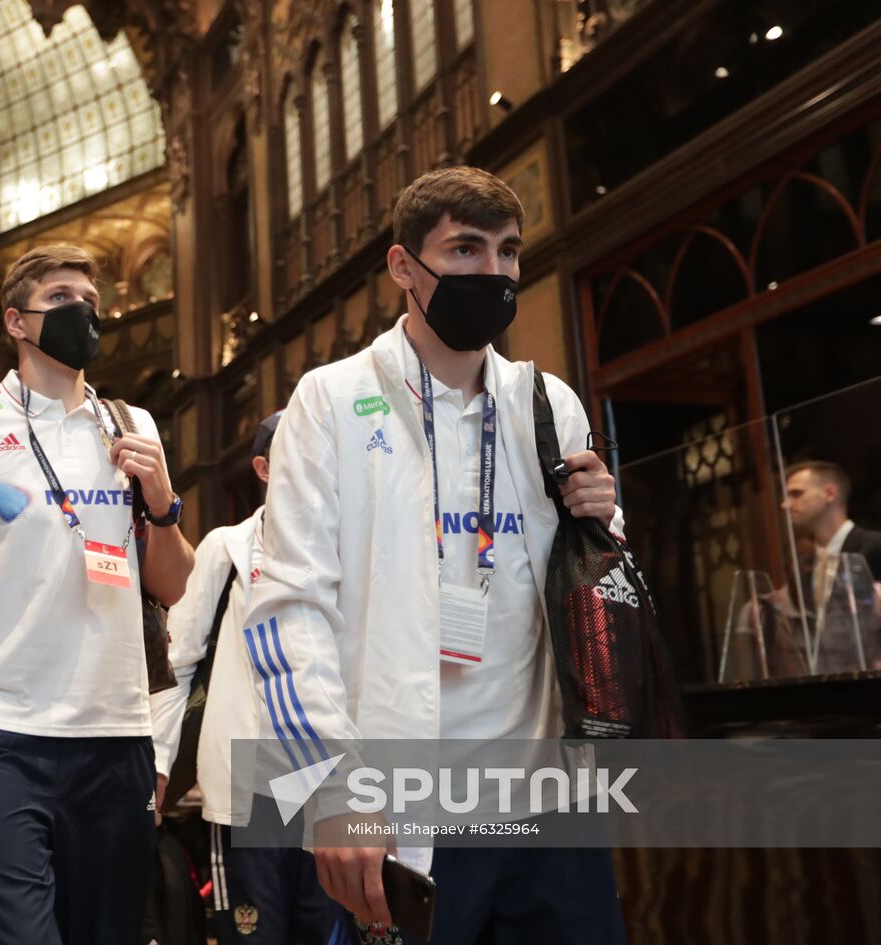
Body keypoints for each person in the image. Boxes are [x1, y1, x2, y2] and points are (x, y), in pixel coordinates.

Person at [243, 166, 627, 944]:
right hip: (405, 807)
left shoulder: (548, 402)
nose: (492, 272)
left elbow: (589, 587)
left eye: (508, 251)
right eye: (464, 249)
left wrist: (606, 521)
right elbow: (287, 608)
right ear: (402, 268)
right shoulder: (332, 399)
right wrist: (331, 787)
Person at [0, 244, 196, 945]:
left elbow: (173, 584)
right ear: (17, 321)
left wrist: (164, 505)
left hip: (115, 736)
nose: (82, 310)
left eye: (90, 299)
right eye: (61, 297)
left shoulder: (132, 425)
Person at [153, 411, 345, 944]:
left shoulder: (351, 541)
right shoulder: (228, 548)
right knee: (254, 935)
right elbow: (177, 663)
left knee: (327, 930)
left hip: (331, 782)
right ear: (262, 467)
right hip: (254, 785)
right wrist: (157, 764)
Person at [782, 461, 881, 669]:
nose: (786, 504)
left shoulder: (874, 547)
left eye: (796, 494)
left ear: (829, 493)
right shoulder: (805, 564)